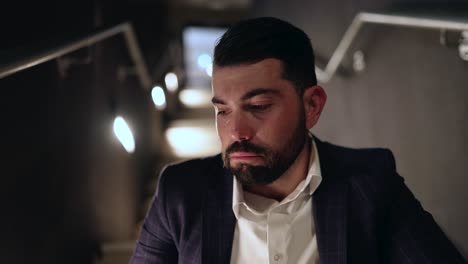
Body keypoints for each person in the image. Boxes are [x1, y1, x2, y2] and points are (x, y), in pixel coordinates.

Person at [130, 17, 466, 264]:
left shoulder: (370, 182)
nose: (236, 132)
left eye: (258, 107)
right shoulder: (180, 192)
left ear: (312, 105)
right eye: (222, 111)